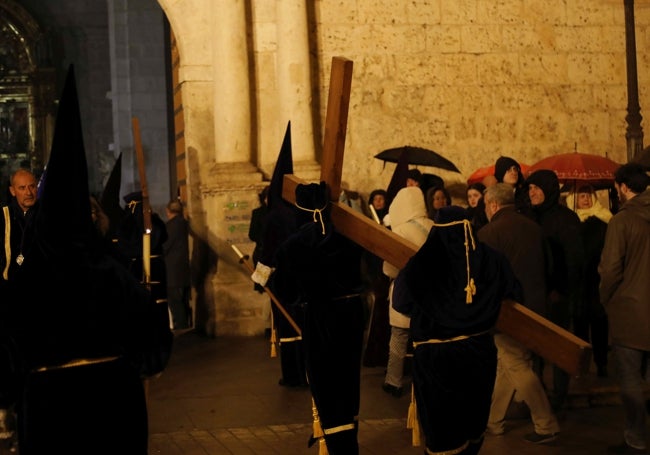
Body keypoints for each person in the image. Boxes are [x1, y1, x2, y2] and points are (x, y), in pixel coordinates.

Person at [0, 65, 173, 454]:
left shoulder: (27, 281)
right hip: (115, 405)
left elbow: (7, 361)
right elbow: (155, 348)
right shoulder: (112, 272)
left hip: (48, 411)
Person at [393, 205, 522, 455]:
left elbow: (401, 302)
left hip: (435, 358)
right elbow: (513, 292)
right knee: (471, 424)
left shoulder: (421, 263)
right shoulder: (491, 259)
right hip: (477, 351)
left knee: (442, 432)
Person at [270, 182, 365, 454]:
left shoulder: (293, 245)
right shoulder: (348, 235)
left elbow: (286, 290)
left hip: (322, 318)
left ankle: (340, 448)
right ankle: (349, 440)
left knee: (327, 386)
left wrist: (274, 280)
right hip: (352, 315)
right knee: (348, 383)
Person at [480, 183, 560, 444]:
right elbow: (549, 269)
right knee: (509, 364)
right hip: (536, 309)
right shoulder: (533, 228)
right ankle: (493, 422)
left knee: (516, 364)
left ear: (493, 205)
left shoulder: (489, 233)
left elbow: (485, 278)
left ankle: (546, 424)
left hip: (507, 312)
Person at [598, 162, 650, 455]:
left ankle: (636, 439)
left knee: (630, 380)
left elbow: (610, 270)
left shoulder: (622, 221)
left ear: (624, 187)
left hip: (630, 312)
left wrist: (606, 299)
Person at [526, 169, 584, 412]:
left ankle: (559, 397)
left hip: (558, 295)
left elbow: (573, 258)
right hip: (534, 294)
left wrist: (561, 288)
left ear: (549, 189)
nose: (532, 192)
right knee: (534, 349)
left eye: (537, 188)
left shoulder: (566, 218)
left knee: (559, 349)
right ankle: (538, 398)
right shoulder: (529, 217)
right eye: (530, 188)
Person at [381, 186, 434, 397]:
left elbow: (390, 267)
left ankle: (393, 381)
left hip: (405, 290)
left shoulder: (400, 230)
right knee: (426, 339)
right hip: (431, 291)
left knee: (399, 337)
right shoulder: (433, 225)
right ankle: (426, 380)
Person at [0, 168, 39, 450]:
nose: (29, 192)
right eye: (23, 188)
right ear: (13, 191)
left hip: (38, 301)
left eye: (32, 186)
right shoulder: (3, 217)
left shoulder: (44, 217)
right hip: (8, 299)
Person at [567, 184, 612, 378]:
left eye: (588, 196)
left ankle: (602, 363)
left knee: (600, 325)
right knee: (580, 328)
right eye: (581, 196)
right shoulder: (570, 221)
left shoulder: (605, 219)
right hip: (578, 284)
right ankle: (582, 366)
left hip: (597, 281)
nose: (585, 199)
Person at [361, 189, 391, 367]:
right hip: (374, 270)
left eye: (382, 199)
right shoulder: (368, 219)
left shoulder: (389, 220)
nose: (379, 202)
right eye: (376, 199)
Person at [163, 199, 192, 330]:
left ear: (168, 211)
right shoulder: (185, 224)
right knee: (184, 298)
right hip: (184, 266)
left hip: (172, 268)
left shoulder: (170, 226)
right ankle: (185, 322)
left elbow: (164, 246)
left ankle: (181, 325)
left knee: (174, 298)